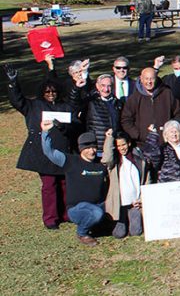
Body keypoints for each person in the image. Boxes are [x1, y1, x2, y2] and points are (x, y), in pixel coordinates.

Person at [6, 61, 82, 230]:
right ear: (42, 92)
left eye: (54, 91)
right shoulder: (33, 106)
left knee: (64, 184)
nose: (51, 94)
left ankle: (66, 214)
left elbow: (75, 115)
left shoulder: (65, 106)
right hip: (43, 153)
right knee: (49, 185)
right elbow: (17, 100)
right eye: (47, 91)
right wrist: (13, 83)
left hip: (63, 152)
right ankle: (50, 218)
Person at [40, 120, 108, 245]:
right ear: (80, 148)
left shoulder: (101, 163)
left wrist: (109, 138)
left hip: (98, 204)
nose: (91, 151)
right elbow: (49, 152)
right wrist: (45, 132)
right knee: (96, 213)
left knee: (107, 211)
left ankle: (96, 224)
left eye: (93, 147)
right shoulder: (71, 162)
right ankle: (82, 233)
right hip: (77, 208)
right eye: (87, 148)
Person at [101, 131, 148, 238]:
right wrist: (108, 139)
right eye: (118, 146)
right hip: (120, 204)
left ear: (129, 143)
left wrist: (141, 199)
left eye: (123, 144)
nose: (121, 148)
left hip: (135, 203)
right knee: (119, 234)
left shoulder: (139, 159)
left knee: (136, 232)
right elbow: (106, 159)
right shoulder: (114, 162)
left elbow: (146, 180)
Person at [121, 68, 180, 145]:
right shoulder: (134, 98)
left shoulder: (167, 93)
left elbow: (179, 113)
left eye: (152, 79)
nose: (149, 82)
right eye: (146, 79)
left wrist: (172, 130)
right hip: (143, 144)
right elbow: (126, 120)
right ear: (141, 79)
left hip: (166, 143)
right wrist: (138, 135)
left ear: (157, 78)